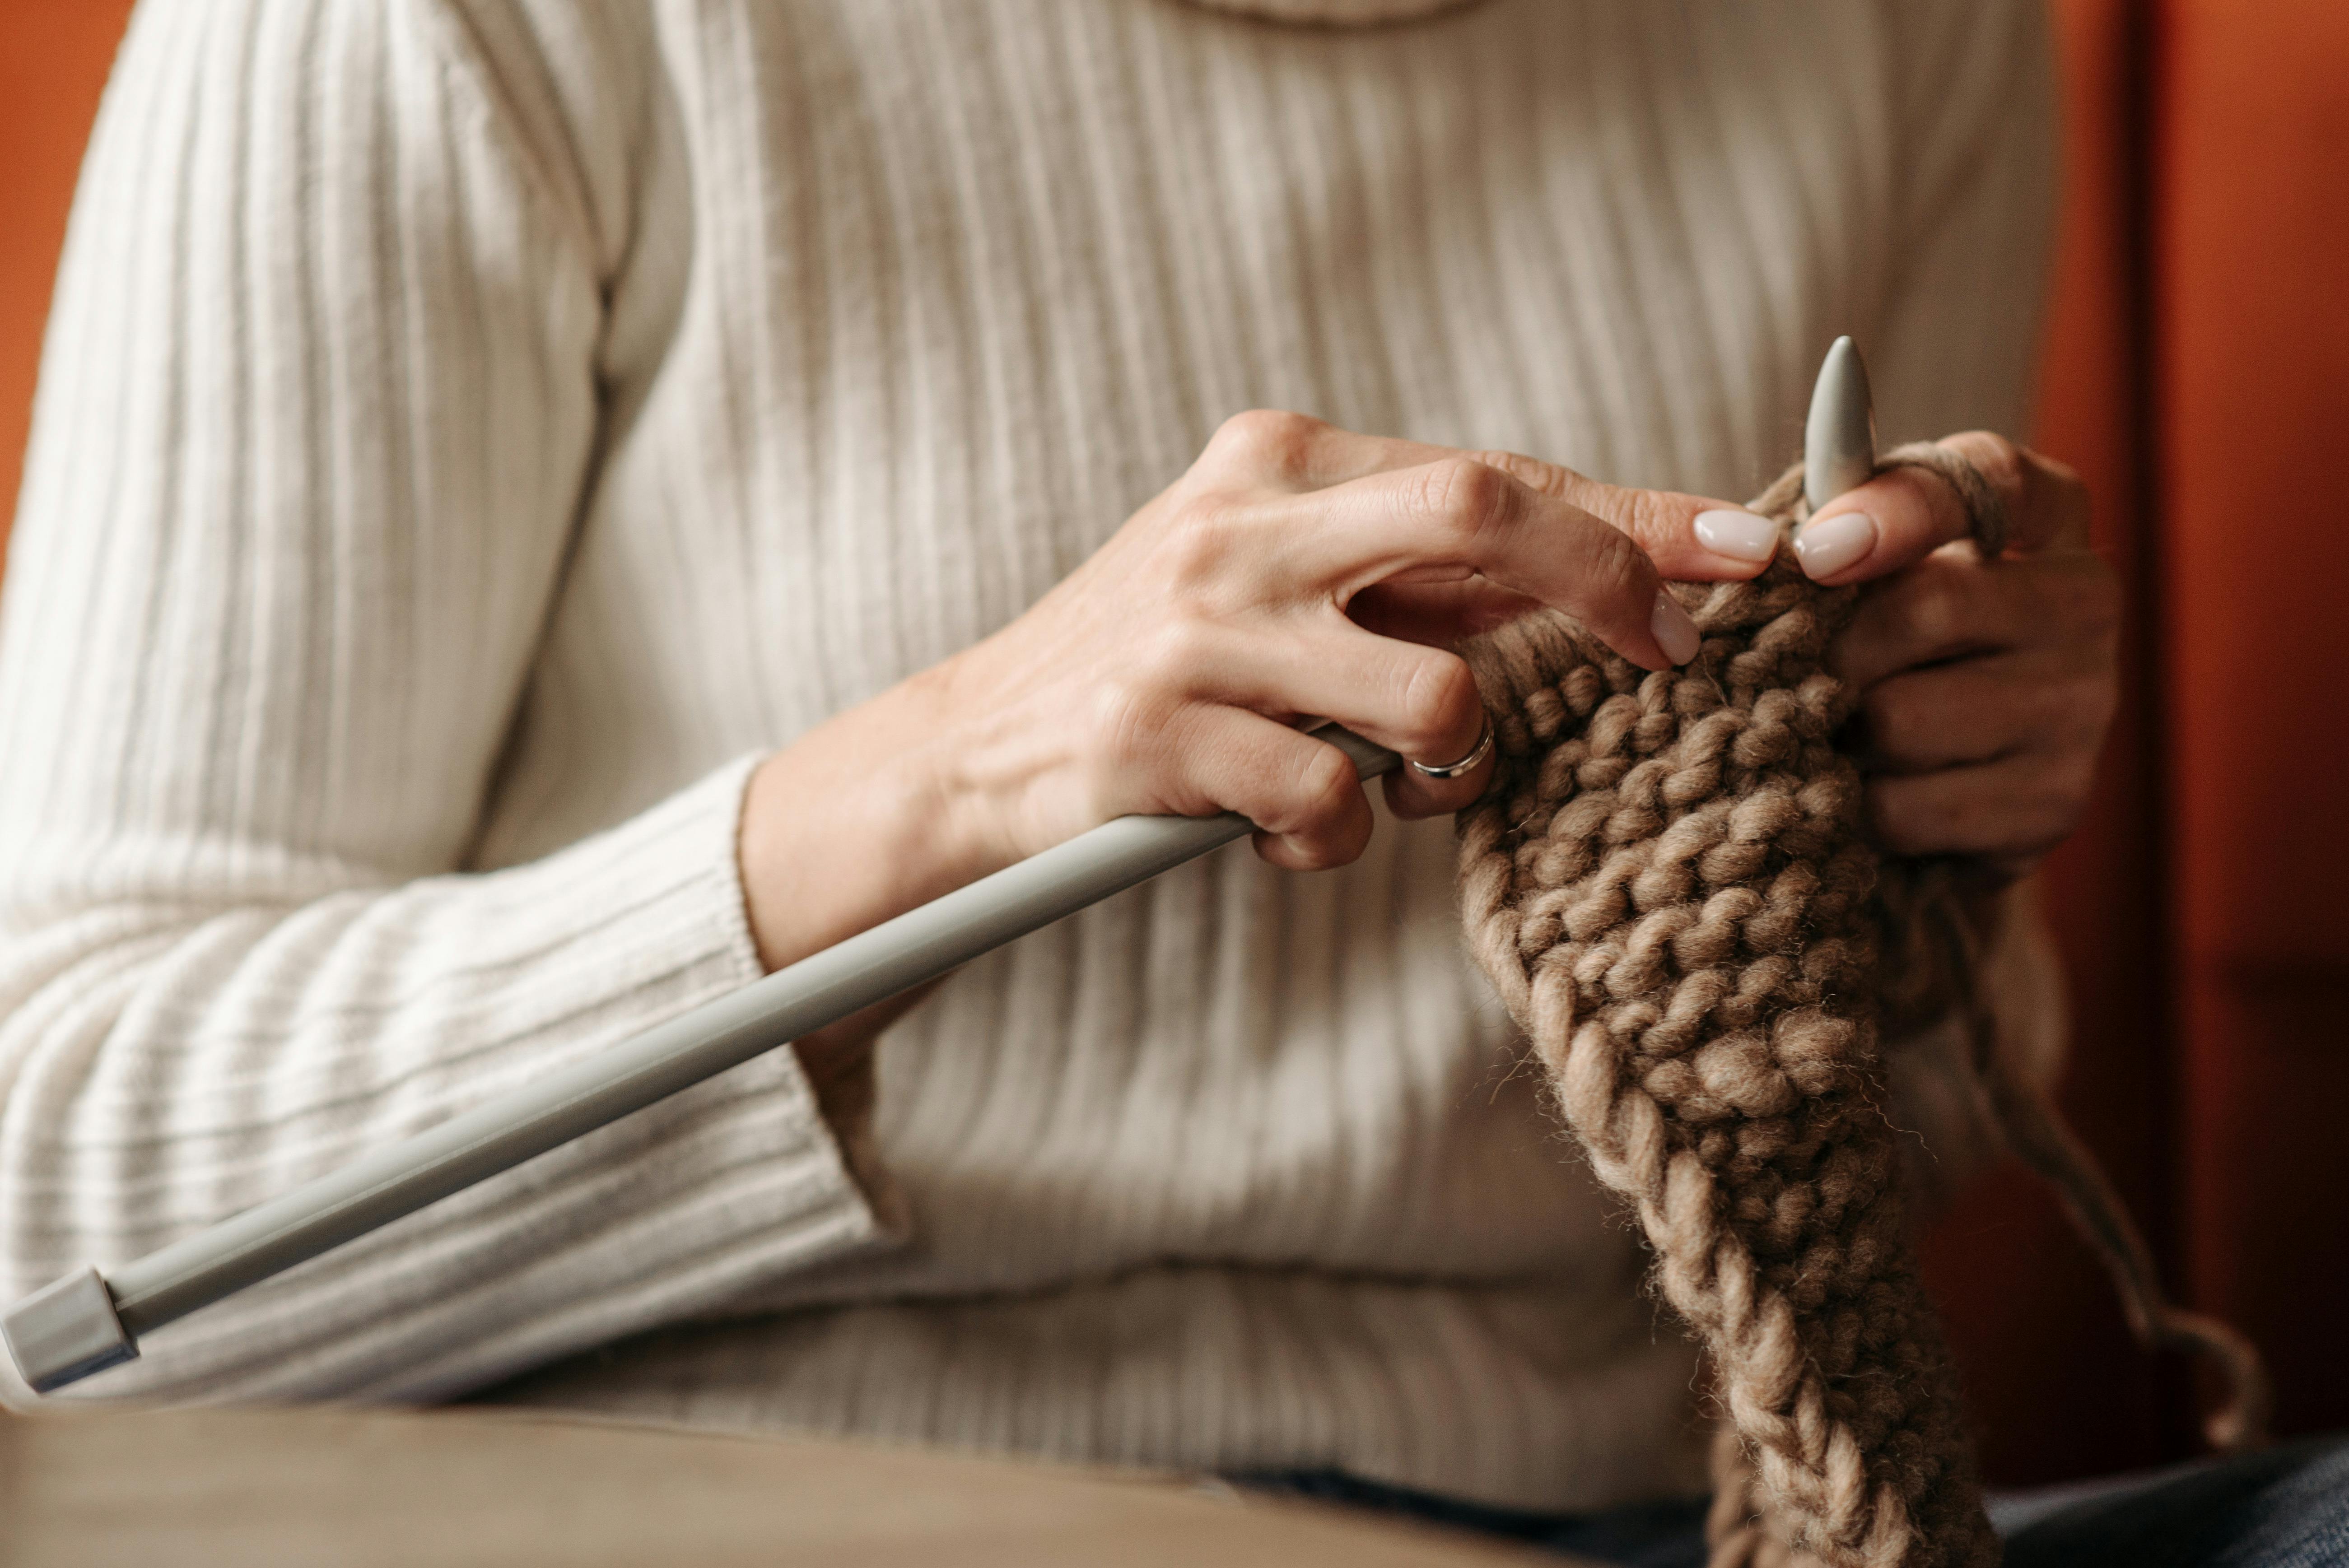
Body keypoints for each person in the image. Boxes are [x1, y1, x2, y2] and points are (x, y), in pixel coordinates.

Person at [2, 1, 2335, 1563]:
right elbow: (43, 1205)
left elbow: (1876, 1154)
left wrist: (1927, 842)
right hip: (729, 1504)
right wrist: (929, 783)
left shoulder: (1889, 28)